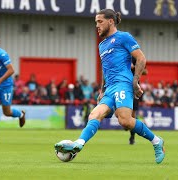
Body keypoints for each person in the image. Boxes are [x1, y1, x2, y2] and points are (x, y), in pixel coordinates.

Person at [55, 9, 165, 164]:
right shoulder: (102, 45)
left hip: (123, 84)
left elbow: (141, 58)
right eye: (96, 22)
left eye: (100, 22)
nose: (97, 26)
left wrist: (135, 81)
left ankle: (156, 141)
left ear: (111, 21)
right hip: (110, 88)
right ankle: (78, 144)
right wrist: (102, 90)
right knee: (94, 115)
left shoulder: (123, 37)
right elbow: (105, 70)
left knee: (125, 121)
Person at [129, 57, 148, 145]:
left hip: (134, 90)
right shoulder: (121, 57)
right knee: (120, 115)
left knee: (133, 115)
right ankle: (126, 125)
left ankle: (132, 138)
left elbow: (145, 71)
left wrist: (136, 68)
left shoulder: (136, 58)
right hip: (122, 88)